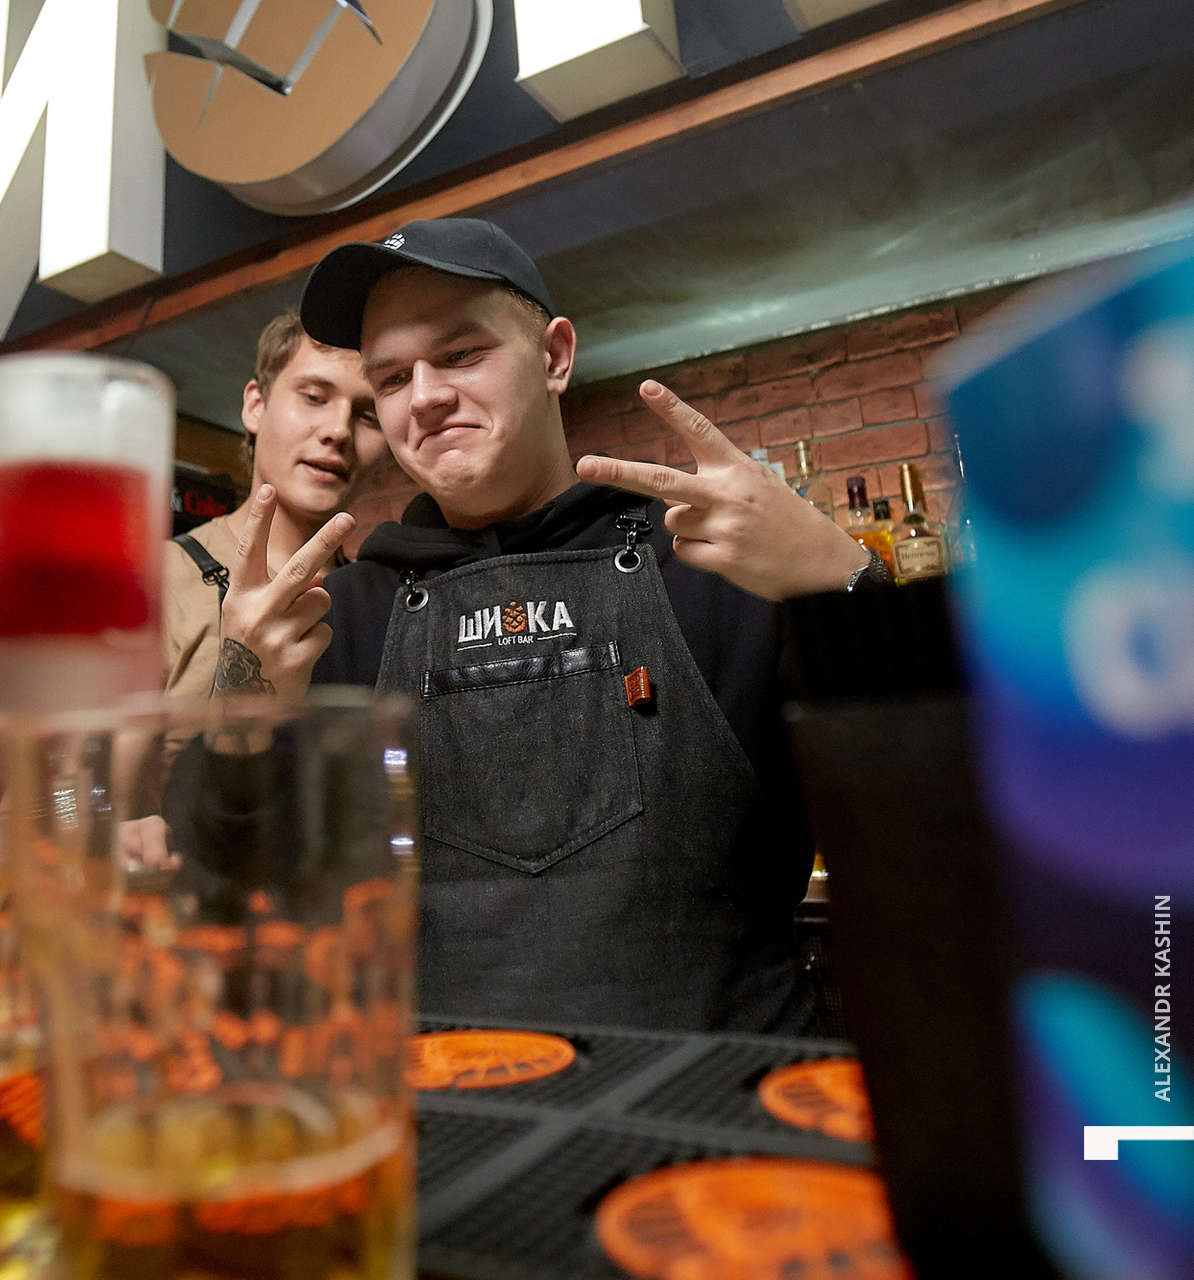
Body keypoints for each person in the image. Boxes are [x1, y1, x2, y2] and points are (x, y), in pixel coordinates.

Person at [211, 218, 887, 1033]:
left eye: (462, 354)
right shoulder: (338, 617)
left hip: (722, 1100)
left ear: (556, 357)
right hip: (443, 1104)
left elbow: (951, 821)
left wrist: (851, 587)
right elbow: (235, 902)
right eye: (391, 378)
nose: (424, 396)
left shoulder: (721, 565)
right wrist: (241, 696)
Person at [162, 311, 385, 705]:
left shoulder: (383, 599)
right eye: (314, 397)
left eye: (369, 416)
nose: (338, 430)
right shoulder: (155, 579)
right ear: (255, 405)